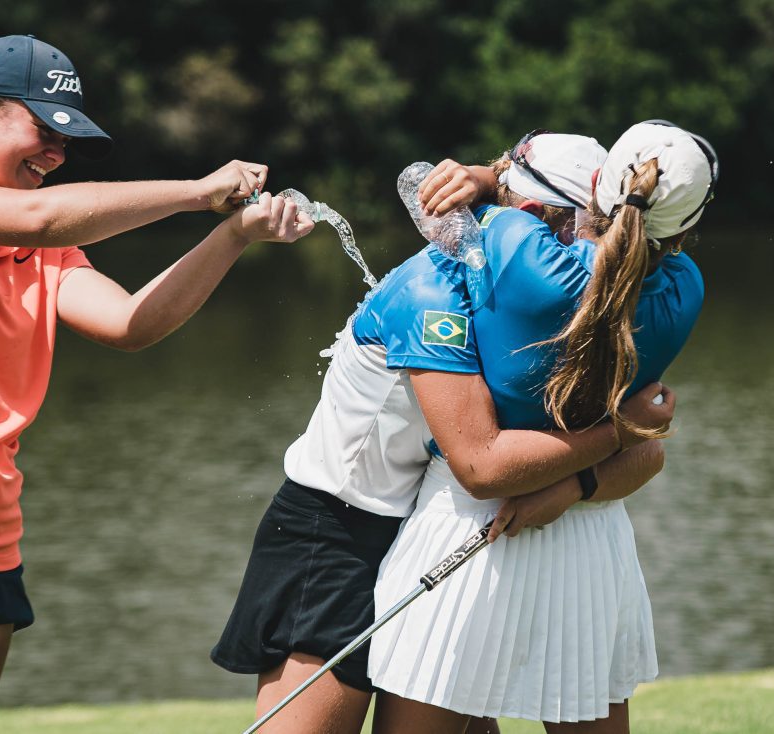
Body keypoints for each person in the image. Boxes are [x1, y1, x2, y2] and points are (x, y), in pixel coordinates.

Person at [0, 35, 313, 734]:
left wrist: (232, 237)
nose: (55, 153)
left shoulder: (43, 253)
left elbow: (130, 323)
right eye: (44, 130)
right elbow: (39, 219)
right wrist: (198, 193)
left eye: (65, 141)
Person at [211, 131, 678, 734]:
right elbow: (484, 466)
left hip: (435, 527)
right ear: (534, 221)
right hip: (337, 538)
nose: (592, 259)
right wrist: (620, 428)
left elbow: (647, 457)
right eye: (583, 235)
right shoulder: (432, 291)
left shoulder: (540, 311)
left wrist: (574, 484)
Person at [368, 121, 717, 734]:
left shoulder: (520, 251)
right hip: (590, 533)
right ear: (685, 231)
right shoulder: (684, 292)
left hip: (470, 522)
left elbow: (458, 199)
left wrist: (485, 174)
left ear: (599, 187)